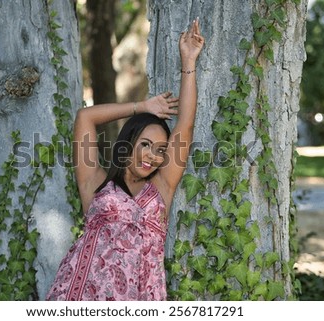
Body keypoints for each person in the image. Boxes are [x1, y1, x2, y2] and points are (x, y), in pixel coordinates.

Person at [46, 18, 205, 301]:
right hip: (81, 296)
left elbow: (186, 125)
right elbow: (85, 117)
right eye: (145, 145)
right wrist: (142, 107)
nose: (153, 156)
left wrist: (188, 60)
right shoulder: (94, 183)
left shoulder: (161, 189)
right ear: (127, 144)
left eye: (160, 150)